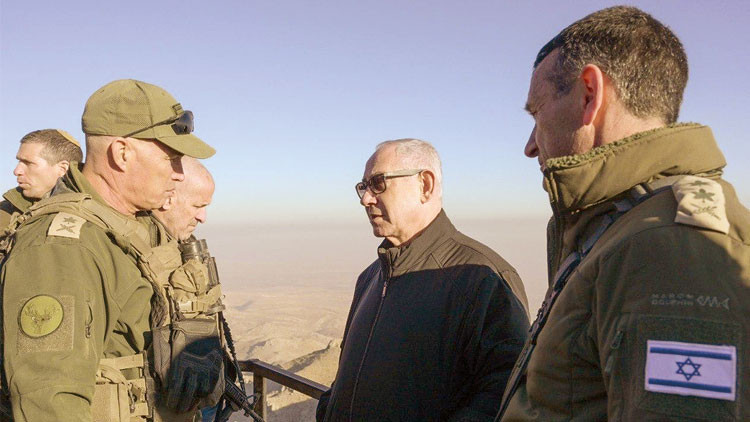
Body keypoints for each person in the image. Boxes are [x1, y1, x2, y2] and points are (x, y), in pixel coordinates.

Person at [499, 6, 750, 421]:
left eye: (537, 111)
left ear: (589, 94)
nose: (530, 145)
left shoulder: (669, 244)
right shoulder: (623, 224)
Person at [1, 79, 215, 421]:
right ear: (121, 153)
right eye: (171, 158)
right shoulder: (63, 247)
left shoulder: (135, 228)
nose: (179, 174)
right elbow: (51, 402)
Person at [317, 138, 530, 421]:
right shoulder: (370, 278)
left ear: (425, 185)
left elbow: (505, 398)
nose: (365, 199)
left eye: (378, 183)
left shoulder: (484, 278)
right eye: (363, 186)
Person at [0, 129, 83, 229]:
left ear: (63, 169)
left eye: (28, 163)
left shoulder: (86, 219)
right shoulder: (6, 211)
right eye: (19, 162)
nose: (16, 171)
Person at [152, 157, 215, 242]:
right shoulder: (139, 242)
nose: (202, 218)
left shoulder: (181, 241)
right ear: (168, 199)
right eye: (197, 206)